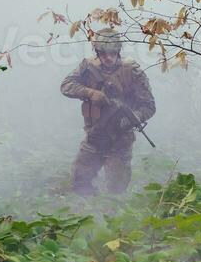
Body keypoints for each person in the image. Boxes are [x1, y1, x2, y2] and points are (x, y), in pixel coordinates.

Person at [60, 29, 156, 195]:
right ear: (97, 52)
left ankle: (112, 216)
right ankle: (88, 213)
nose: (108, 57)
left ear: (118, 51)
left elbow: (149, 106)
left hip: (120, 140)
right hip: (94, 136)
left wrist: (134, 117)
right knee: (80, 181)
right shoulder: (88, 67)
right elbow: (66, 86)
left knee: (116, 190)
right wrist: (90, 93)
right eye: (103, 53)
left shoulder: (132, 72)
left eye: (112, 53)